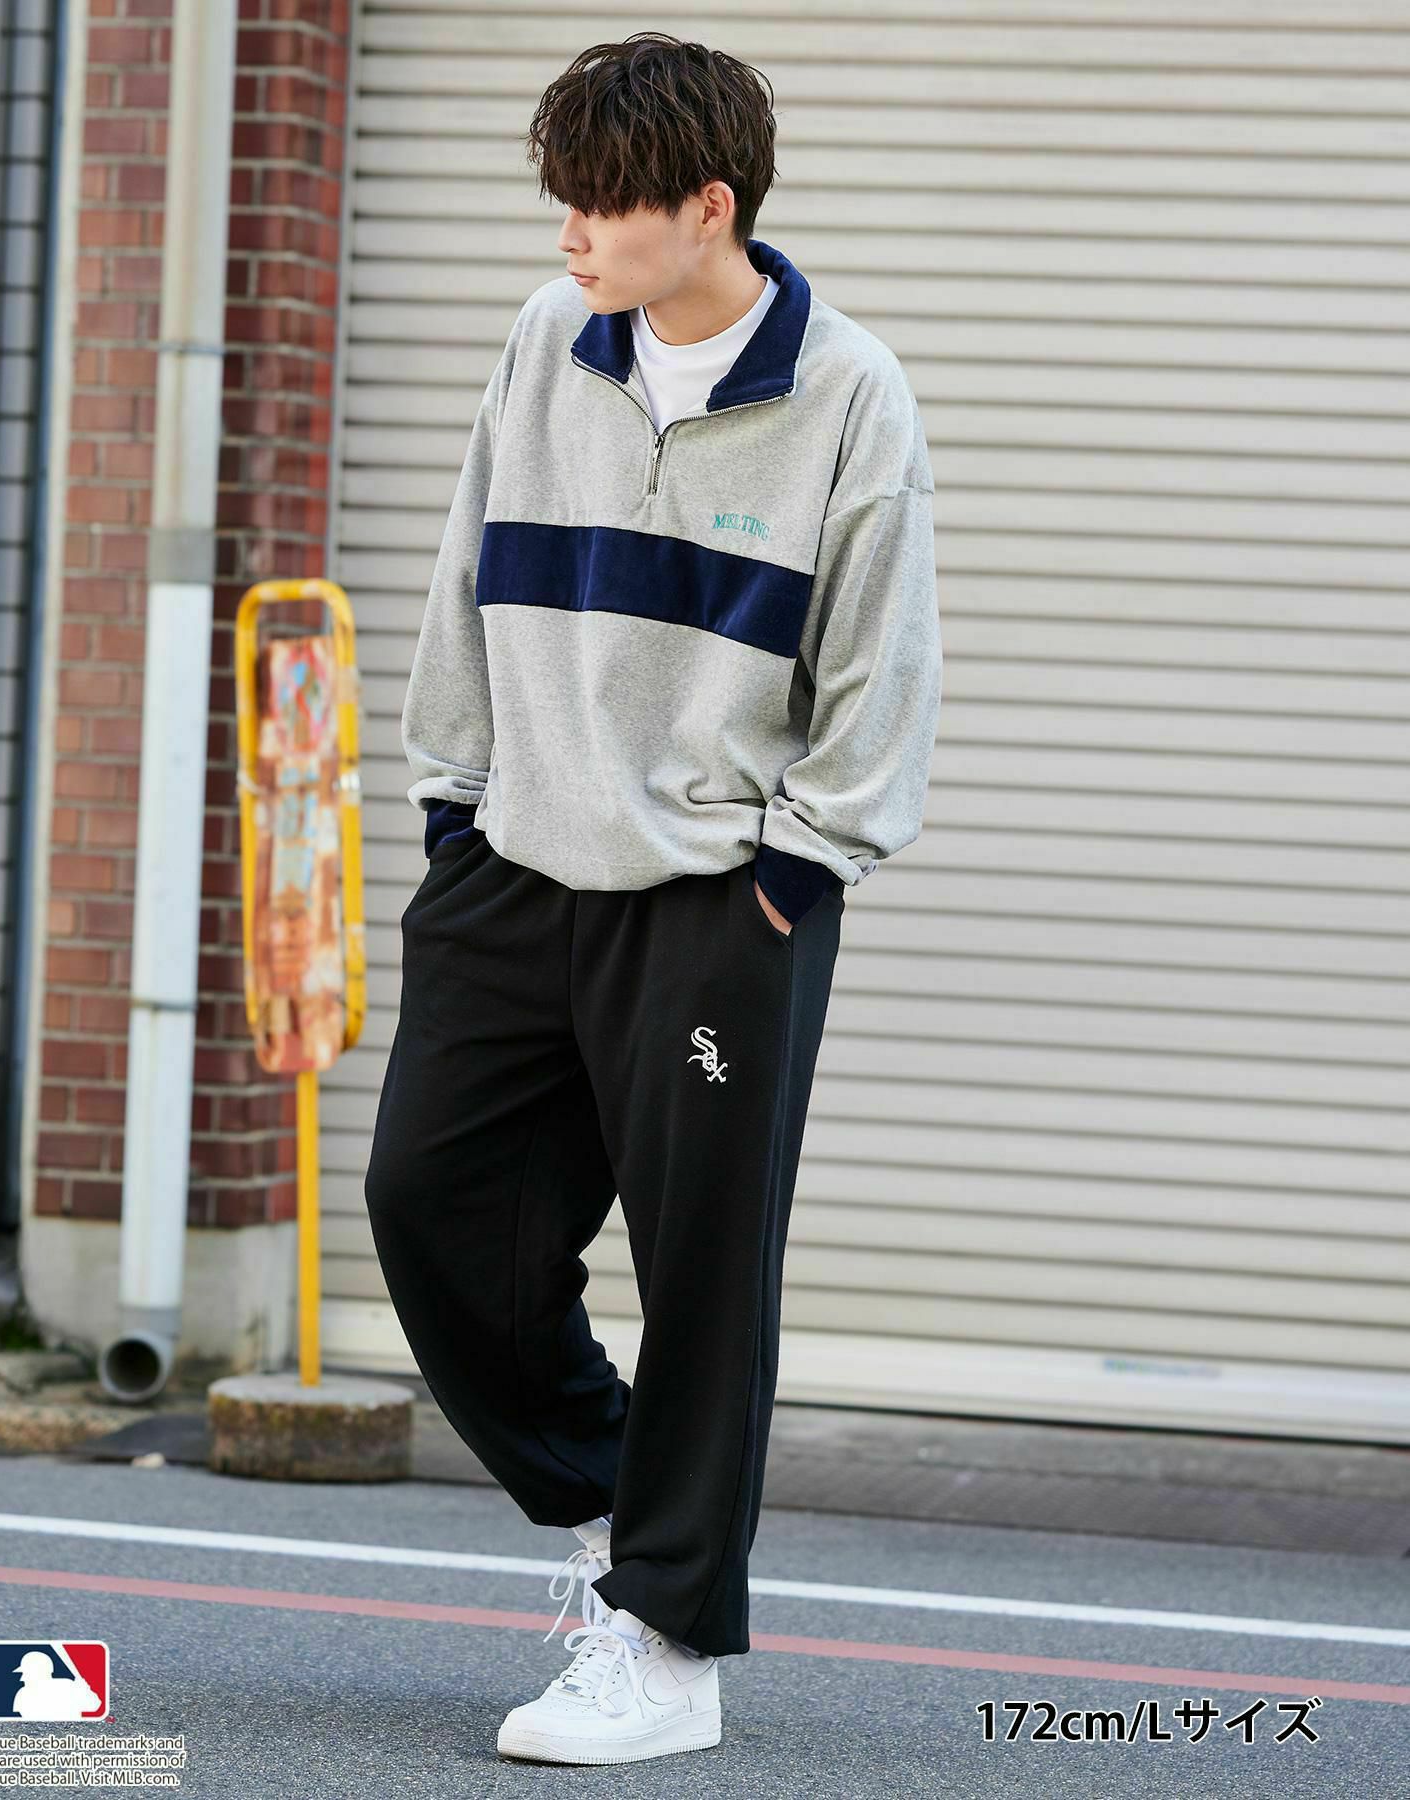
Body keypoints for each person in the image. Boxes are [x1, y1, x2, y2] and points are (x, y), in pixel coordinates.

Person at [363, 30, 942, 1768]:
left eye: (602, 204)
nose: (569, 234)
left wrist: (797, 868)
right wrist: (452, 805)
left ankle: (671, 1644)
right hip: (513, 867)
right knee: (430, 1208)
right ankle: (632, 1506)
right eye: (561, 199)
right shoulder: (549, 337)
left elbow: (881, 670)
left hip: (715, 902)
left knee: (702, 1275)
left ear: (708, 206)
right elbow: (466, 569)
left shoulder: (851, 392)